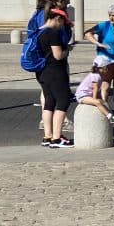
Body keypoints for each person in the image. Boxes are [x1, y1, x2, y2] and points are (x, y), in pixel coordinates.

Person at [84, 4, 114, 119]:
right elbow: (87, 33)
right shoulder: (104, 26)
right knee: (105, 85)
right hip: (106, 60)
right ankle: (104, 109)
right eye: (110, 15)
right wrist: (99, 44)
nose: (111, 17)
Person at [37, 8, 75, 148]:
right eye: (62, 22)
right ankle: (57, 138)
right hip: (55, 71)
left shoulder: (39, 31)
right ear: (57, 19)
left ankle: (47, 136)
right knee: (63, 100)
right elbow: (58, 55)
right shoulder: (53, 33)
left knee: (49, 103)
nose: (62, 26)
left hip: (42, 72)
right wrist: (67, 50)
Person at [75, 57, 114, 121]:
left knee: (101, 101)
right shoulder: (96, 76)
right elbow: (95, 88)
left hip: (87, 95)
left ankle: (109, 111)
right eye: (106, 67)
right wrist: (94, 99)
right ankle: (109, 115)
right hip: (82, 96)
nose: (108, 69)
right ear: (100, 68)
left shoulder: (98, 75)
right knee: (97, 102)